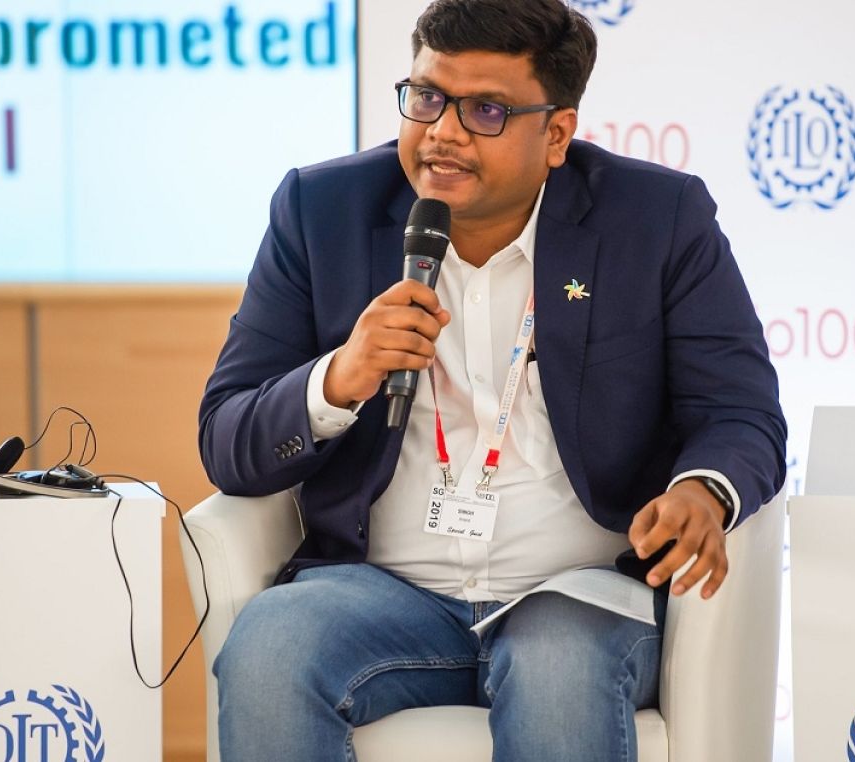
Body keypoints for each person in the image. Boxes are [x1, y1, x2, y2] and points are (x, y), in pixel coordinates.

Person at [197, 1, 786, 759]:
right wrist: (338, 378)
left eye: (485, 110)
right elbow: (225, 437)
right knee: (271, 649)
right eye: (427, 97)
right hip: (384, 591)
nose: (442, 131)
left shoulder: (657, 219)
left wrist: (703, 489)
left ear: (558, 135)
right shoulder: (322, 211)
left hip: (577, 591)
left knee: (557, 665)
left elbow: (741, 411)